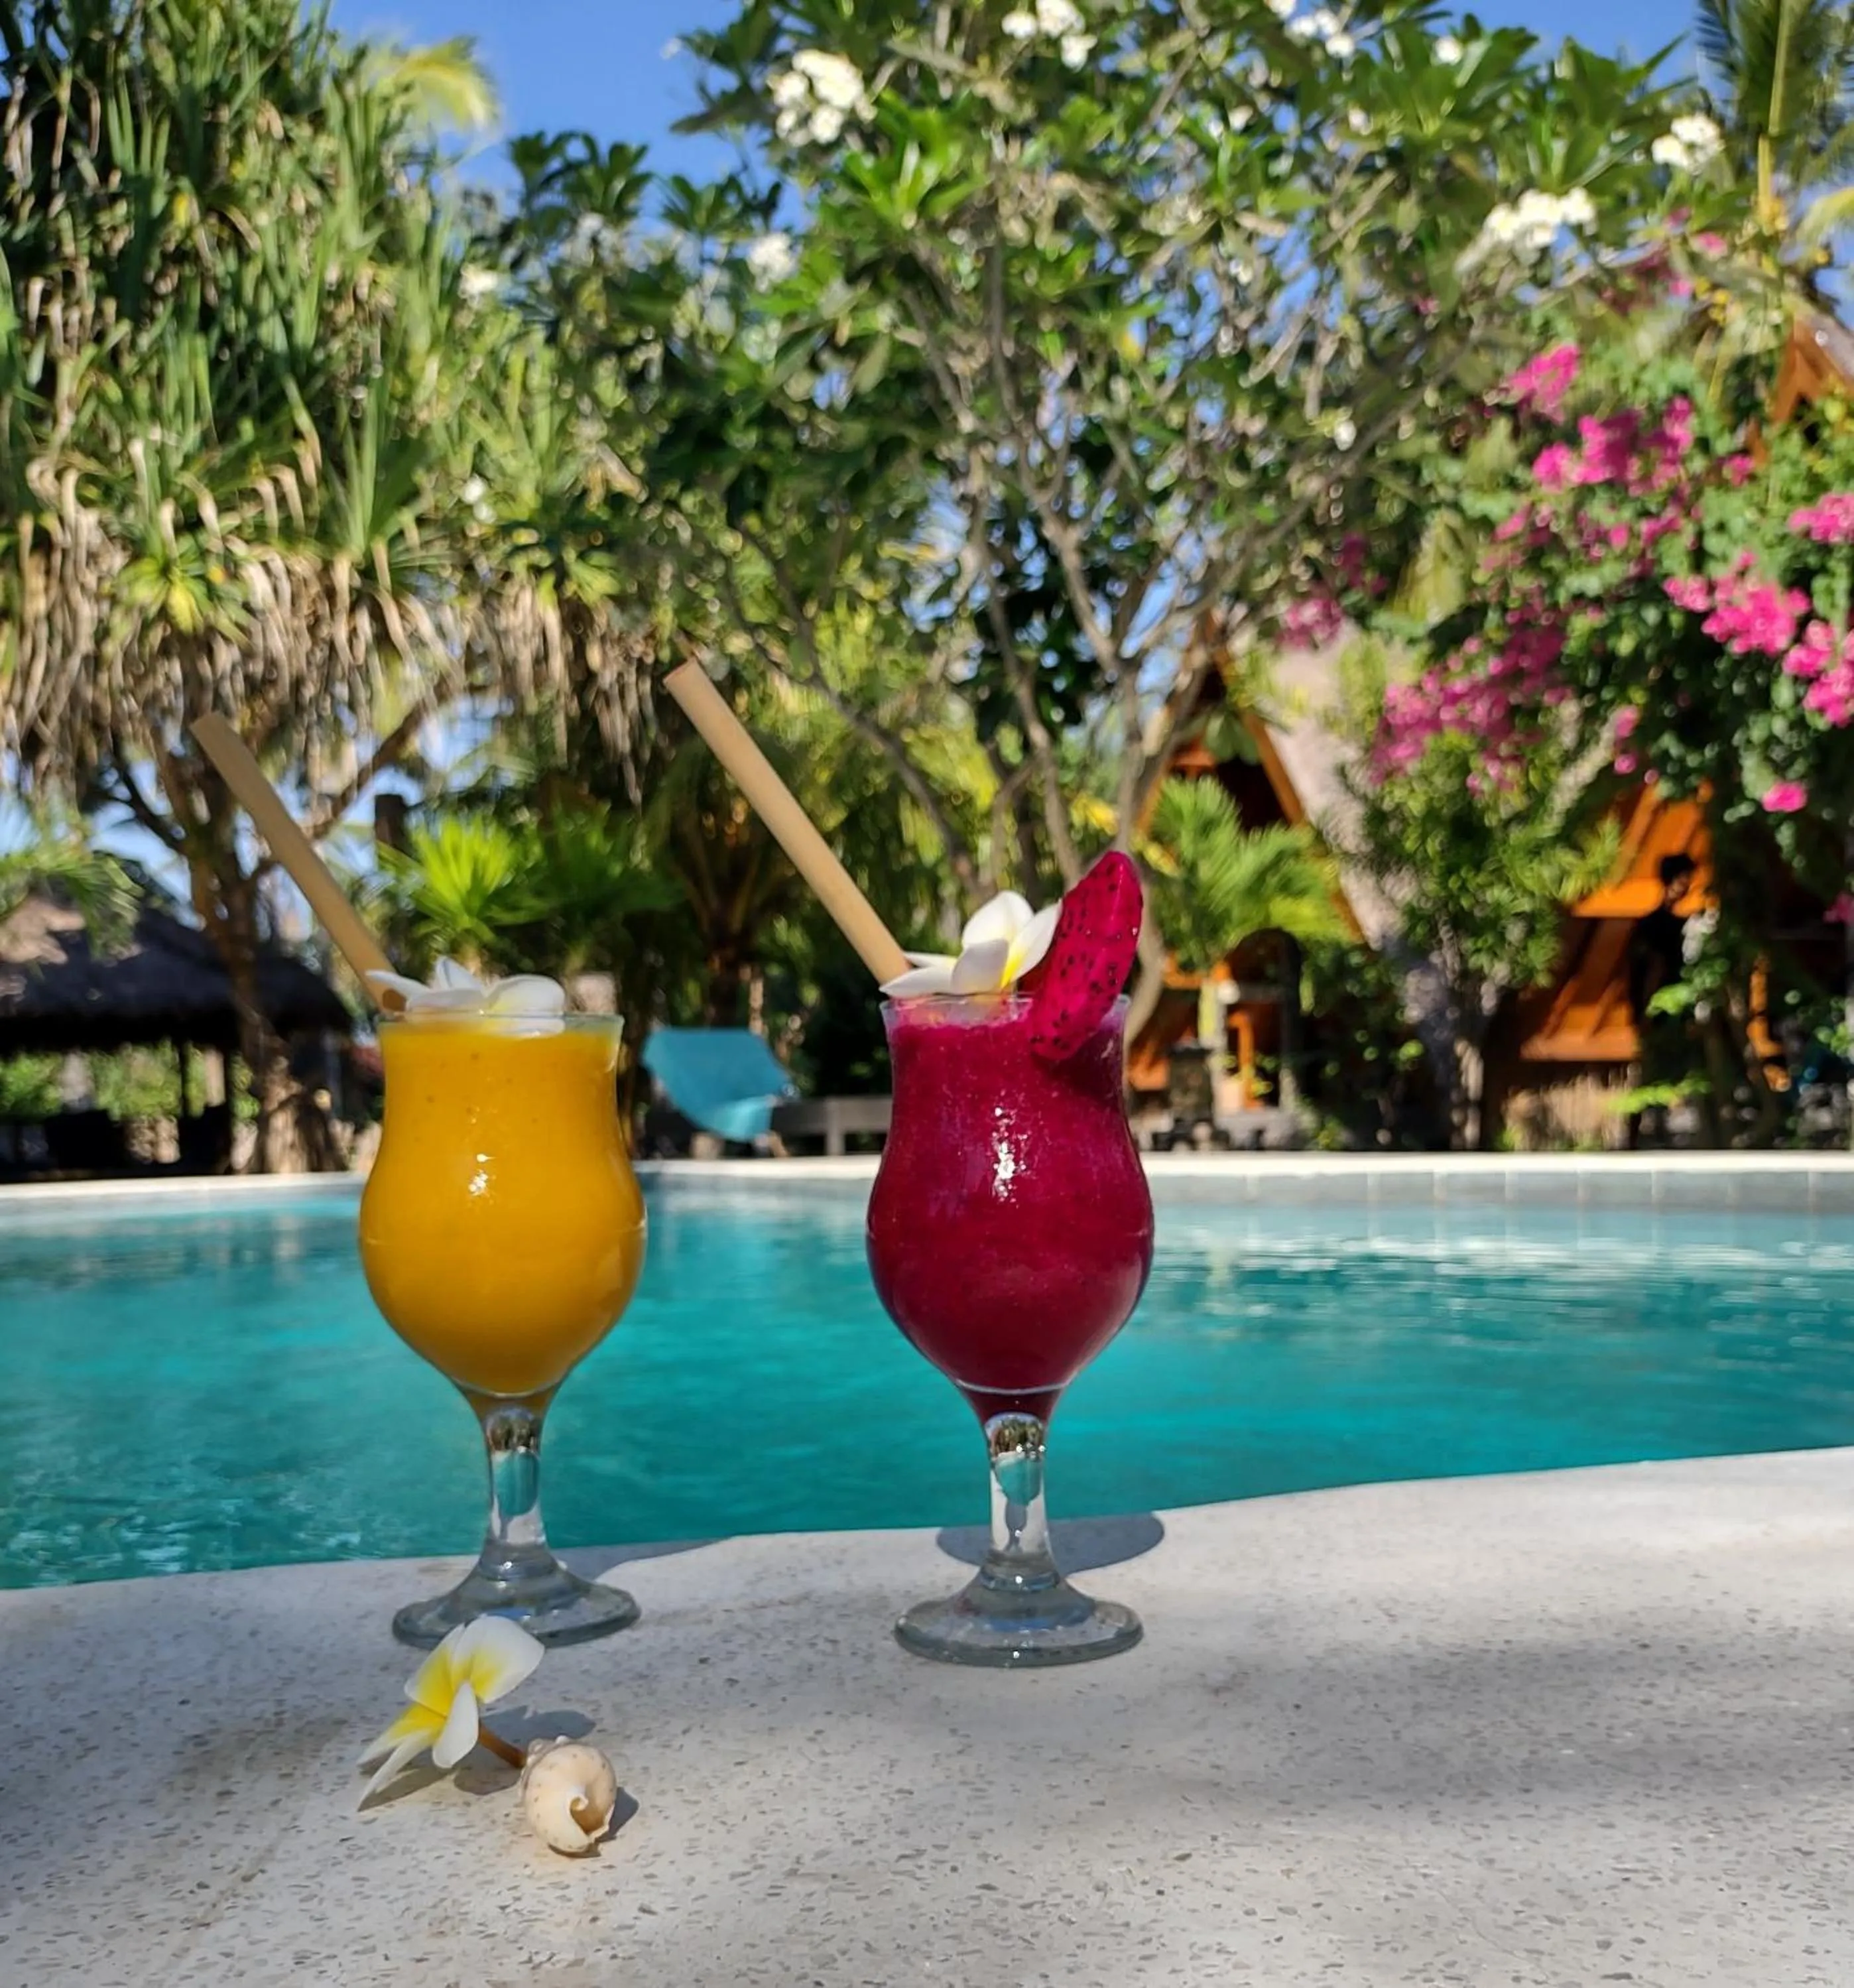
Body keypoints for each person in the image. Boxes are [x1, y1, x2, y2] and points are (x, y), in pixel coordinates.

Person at [1625, 853, 1696, 1147]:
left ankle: (1654, 1132)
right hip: (1657, 1012)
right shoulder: (1657, 926)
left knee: (1666, 1071)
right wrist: (1645, 1012)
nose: (1687, 886)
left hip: (1667, 1010)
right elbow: (1652, 969)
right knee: (1653, 1070)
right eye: (1683, 879)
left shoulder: (1669, 924)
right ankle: (1640, 1135)